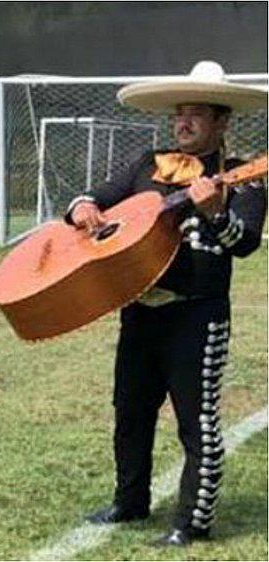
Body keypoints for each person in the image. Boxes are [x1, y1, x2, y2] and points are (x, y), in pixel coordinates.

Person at [68, 61, 267, 547]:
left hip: (197, 315)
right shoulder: (148, 163)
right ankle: (129, 501)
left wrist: (216, 213)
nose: (183, 122)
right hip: (139, 311)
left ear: (221, 121)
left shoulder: (244, 176)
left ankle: (191, 523)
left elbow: (244, 243)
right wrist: (81, 207)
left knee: (197, 423)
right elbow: (95, 196)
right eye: (179, 113)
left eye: (196, 114)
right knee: (130, 412)